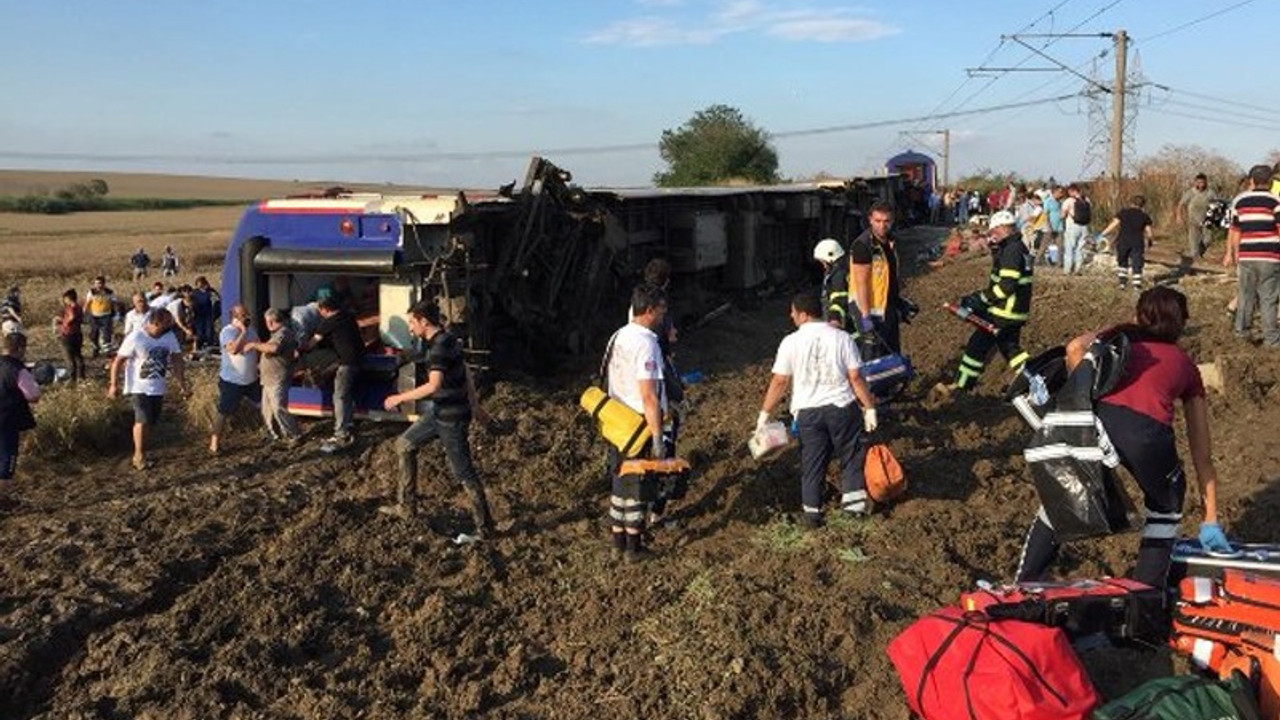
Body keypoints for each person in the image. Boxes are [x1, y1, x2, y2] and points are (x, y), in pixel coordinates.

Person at [1015, 287, 1229, 588]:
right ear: (1182, 324)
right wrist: (1210, 518)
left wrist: (1081, 396)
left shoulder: (1120, 341)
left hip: (1097, 425)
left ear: (1138, 316)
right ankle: (1145, 595)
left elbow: (1076, 347)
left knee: (1064, 491)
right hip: (1147, 436)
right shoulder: (1186, 366)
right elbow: (1201, 454)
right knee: (1165, 506)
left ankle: (1026, 581)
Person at [756, 292, 878, 528]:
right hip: (841, 407)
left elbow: (780, 381)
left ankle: (812, 514)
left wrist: (764, 414)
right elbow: (855, 377)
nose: (791, 316)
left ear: (803, 314)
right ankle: (853, 511)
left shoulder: (790, 342)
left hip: (807, 412)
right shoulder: (842, 338)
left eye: (792, 312)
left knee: (812, 461)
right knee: (851, 456)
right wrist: (869, 407)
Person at [379, 301, 496, 538]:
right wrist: (475, 405)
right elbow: (464, 371)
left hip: (451, 417)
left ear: (424, 321)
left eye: (412, 322)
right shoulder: (446, 339)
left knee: (463, 472)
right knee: (404, 445)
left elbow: (434, 385)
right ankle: (407, 508)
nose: (410, 328)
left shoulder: (440, 347)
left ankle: (485, 528)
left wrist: (398, 398)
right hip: (439, 411)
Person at [602, 284, 670, 561]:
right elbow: (648, 396)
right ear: (650, 310)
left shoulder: (618, 336)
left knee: (620, 481)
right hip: (637, 425)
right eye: (662, 310)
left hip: (616, 420)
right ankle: (634, 547)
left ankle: (618, 542)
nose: (664, 315)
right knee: (638, 486)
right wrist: (656, 437)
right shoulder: (646, 343)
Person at [943, 210, 1033, 393]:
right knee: (1010, 349)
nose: (992, 236)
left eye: (993, 232)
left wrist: (981, 299)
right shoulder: (1016, 247)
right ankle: (1036, 379)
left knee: (977, 344)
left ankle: (961, 386)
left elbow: (1007, 286)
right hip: (1015, 311)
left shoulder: (1012, 250)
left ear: (1001, 228)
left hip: (1004, 311)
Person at [107, 307, 187, 471]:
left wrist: (182, 384)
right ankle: (138, 455)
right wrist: (114, 384)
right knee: (142, 420)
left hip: (157, 386)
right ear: (155, 323)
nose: (168, 328)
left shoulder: (169, 337)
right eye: (165, 325)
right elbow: (118, 361)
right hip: (138, 386)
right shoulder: (136, 337)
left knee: (150, 421)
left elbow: (177, 359)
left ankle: (142, 449)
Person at [1224, 164, 1280, 347]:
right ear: (1270, 181)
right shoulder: (1275, 201)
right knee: (1268, 299)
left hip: (1247, 256)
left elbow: (1235, 230)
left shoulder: (1239, 201)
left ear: (1251, 181)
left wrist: (1231, 253)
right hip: (1270, 257)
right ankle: (1271, 340)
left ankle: (1241, 333)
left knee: (1246, 295)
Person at [848, 202, 906, 355]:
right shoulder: (863, 245)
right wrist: (865, 317)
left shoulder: (891, 243)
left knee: (891, 353)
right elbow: (862, 284)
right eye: (878, 221)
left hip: (887, 307)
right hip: (870, 310)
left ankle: (893, 379)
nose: (882, 226)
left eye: (886, 221)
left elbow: (889, 277)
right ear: (870, 220)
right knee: (873, 357)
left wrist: (898, 302)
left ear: (892, 221)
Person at [308, 295, 362, 451]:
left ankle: (341, 432)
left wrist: (300, 349)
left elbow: (313, 342)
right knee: (347, 393)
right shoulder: (348, 316)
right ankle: (349, 424)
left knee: (339, 395)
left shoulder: (329, 322)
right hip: (359, 360)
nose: (320, 314)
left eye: (320, 311)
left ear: (325, 309)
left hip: (346, 363)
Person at [208, 304, 261, 455]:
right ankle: (214, 445)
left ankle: (274, 432)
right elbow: (233, 350)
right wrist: (243, 331)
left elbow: (257, 346)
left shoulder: (252, 330)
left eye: (247, 314)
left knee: (264, 404)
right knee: (223, 412)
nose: (247, 318)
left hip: (251, 379)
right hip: (232, 381)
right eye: (243, 315)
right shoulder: (227, 332)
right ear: (235, 317)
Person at [246, 308, 302, 446]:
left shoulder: (283, 333)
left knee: (278, 407)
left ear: (271, 321)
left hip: (277, 378)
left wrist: (254, 345)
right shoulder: (278, 333)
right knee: (267, 410)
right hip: (268, 378)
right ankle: (275, 435)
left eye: (267, 321)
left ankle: (294, 434)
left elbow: (273, 349)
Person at [0, 333, 40, 486]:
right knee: (6, 462)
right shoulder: (18, 370)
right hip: (6, 421)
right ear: (20, 349)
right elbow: (33, 396)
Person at [1100, 195, 1155, 291]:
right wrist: (1150, 240)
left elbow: (1113, 224)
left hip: (1123, 241)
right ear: (1142, 205)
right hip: (1137, 242)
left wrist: (1102, 234)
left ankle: (1122, 283)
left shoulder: (1123, 213)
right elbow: (1149, 232)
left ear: (1131, 203)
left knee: (1122, 261)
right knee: (1137, 263)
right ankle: (1136, 284)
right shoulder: (1144, 216)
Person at [813, 238, 850, 331]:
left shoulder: (839, 274)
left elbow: (840, 298)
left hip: (843, 324)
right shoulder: (843, 268)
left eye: (823, 262)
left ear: (830, 257)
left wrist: (834, 318)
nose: (823, 266)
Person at [1176, 173, 1214, 259]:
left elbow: (1215, 203)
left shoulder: (1210, 193)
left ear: (1206, 183)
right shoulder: (1190, 192)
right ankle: (1194, 258)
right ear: (1195, 182)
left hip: (1206, 219)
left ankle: (1200, 251)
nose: (1200, 185)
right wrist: (1179, 216)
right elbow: (1180, 204)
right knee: (1193, 241)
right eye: (1198, 182)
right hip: (1193, 220)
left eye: (1202, 182)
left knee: (1208, 240)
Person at [83, 275, 118, 357]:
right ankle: (95, 348)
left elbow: (115, 303)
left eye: (99, 283)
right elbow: (87, 303)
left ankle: (107, 351)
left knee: (107, 334)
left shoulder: (109, 293)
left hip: (106, 315)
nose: (98, 285)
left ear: (103, 284)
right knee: (94, 333)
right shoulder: (91, 292)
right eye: (96, 283)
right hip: (94, 316)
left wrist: (117, 313)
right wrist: (84, 313)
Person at [55, 289, 86, 382]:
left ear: (68, 298)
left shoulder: (71, 307)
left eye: (65, 299)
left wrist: (65, 323)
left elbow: (71, 317)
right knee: (78, 355)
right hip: (77, 333)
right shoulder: (79, 307)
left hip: (68, 334)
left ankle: (72, 377)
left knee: (69, 357)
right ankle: (81, 376)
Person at [1060, 184, 1091, 276]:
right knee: (1080, 248)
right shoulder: (1087, 200)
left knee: (1069, 248)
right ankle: (1078, 269)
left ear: (1071, 191)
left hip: (1072, 226)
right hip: (1084, 227)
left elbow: (1062, 215)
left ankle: (1067, 270)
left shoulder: (1069, 201)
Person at [190, 276, 219, 351]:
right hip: (198, 315)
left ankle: (209, 345)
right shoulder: (194, 292)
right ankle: (200, 346)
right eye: (198, 284)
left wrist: (215, 314)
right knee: (199, 331)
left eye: (202, 284)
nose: (200, 286)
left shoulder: (210, 292)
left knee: (209, 331)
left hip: (208, 315)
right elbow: (190, 302)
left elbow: (217, 300)